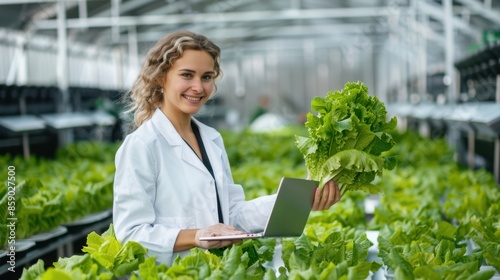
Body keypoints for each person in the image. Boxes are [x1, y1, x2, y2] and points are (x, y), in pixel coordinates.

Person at [112, 30, 341, 265]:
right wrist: (196, 236)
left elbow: (232, 214)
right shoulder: (142, 145)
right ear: (161, 78)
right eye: (187, 75)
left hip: (216, 270)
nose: (198, 87)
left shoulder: (211, 140)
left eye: (207, 77)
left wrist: (300, 201)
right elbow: (131, 233)